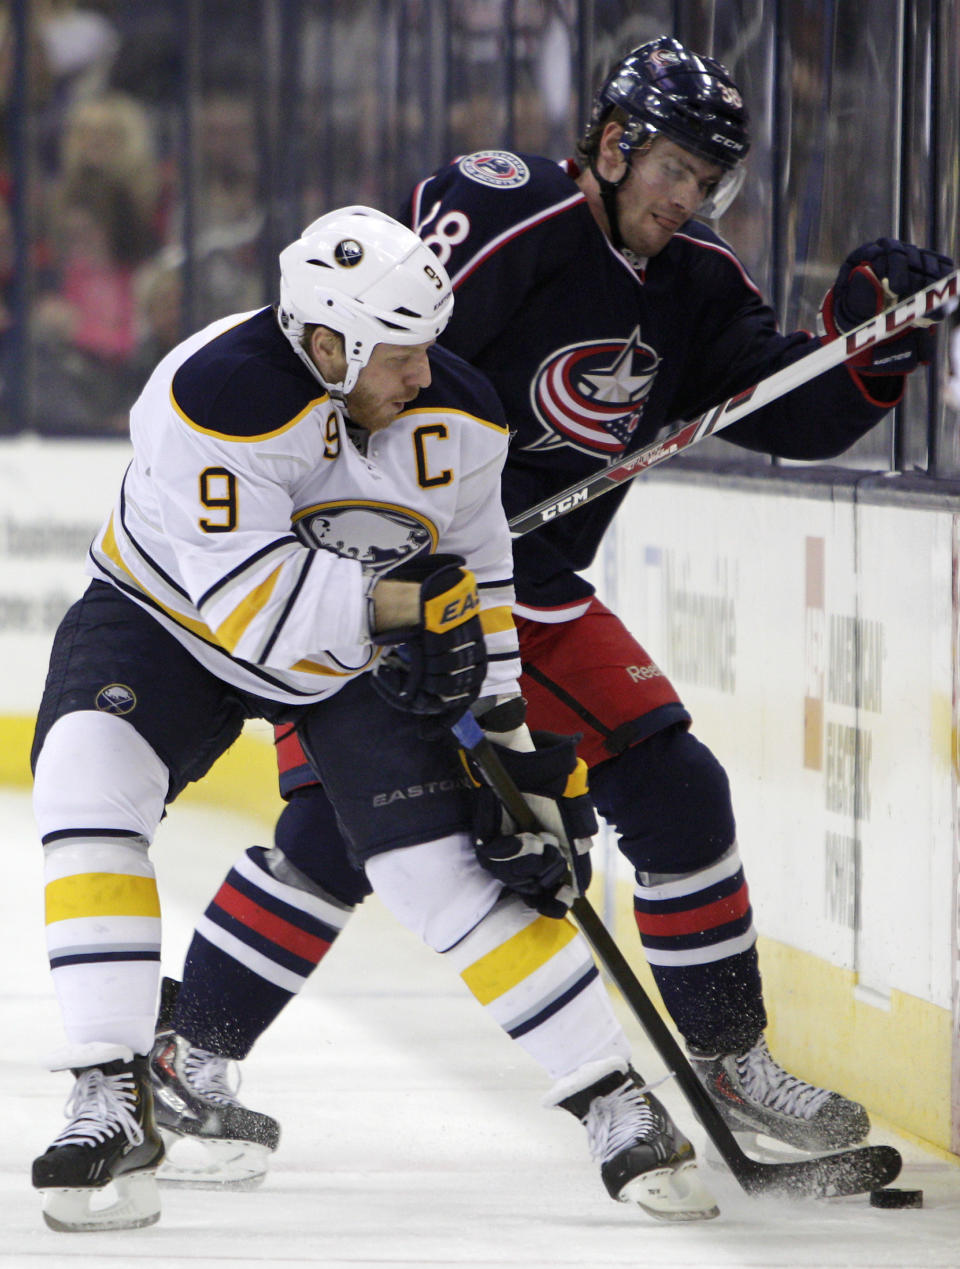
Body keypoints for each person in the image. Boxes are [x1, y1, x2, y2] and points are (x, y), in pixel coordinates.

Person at [149, 36, 955, 1188]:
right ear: (615, 144)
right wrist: (371, 572)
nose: (689, 197)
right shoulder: (504, 219)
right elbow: (374, 375)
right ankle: (195, 1051)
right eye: (674, 167)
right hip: (391, 577)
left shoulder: (697, 284)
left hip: (527, 584)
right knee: (366, 821)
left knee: (643, 790)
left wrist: (874, 346)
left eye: (710, 178)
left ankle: (727, 1058)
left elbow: (786, 411)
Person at [29, 204, 719, 1233]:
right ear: (326, 342)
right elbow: (249, 616)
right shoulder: (210, 396)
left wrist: (510, 745)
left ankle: (613, 1099)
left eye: (426, 348)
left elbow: (482, 574)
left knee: (439, 862)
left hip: (345, 642)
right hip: (164, 620)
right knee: (86, 781)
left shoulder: (461, 418)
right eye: (398, 355)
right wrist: (401, 606)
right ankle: (108, 1091)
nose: (422, 375)